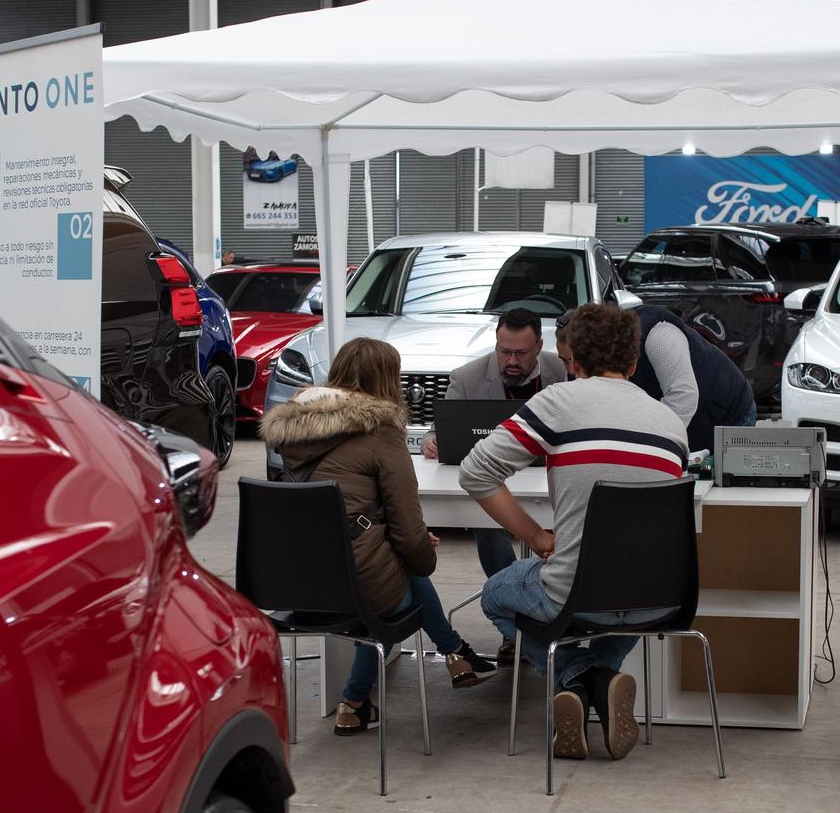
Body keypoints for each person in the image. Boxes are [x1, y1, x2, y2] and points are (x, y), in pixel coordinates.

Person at [461, 303, 690, 762]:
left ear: (574, 362)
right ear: (632, 364)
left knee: (494, 594)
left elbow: (475, 471)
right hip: (660, 597)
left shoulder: (556, 402)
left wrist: (538, 537)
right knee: (622, 598)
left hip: (574, 594)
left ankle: (576, 676)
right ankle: (601, 681)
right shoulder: (672, 424)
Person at [260, 336, 497, 734]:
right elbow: (407, 531)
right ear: (387, 382)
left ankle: (447, 658)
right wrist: (419, 551)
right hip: (356, 589)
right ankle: (439, 659)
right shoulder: (382, 433)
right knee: (405, 568)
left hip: (297, 584)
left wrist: (397, 540)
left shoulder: (293, 433)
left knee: (391, 559)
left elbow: (344, 506)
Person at [422, 308, 571, 643]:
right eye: (504, 352)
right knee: (486, 527)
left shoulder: (561, 369)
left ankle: (552, 607)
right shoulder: (467, 377)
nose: (512, 360)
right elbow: (440, 430)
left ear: (539, 346)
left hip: (547, 478)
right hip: (492, 480)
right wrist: (433, 441)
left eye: (521, 353)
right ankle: (516, 607)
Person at [560, 303, 756, 455]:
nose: (571, 370)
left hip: (726, 415)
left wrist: (648, 447)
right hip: (680, 422)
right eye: (564, 361)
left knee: (713, 496)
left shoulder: (657, 333)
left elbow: (684, 397)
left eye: (572, 360)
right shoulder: (597, 354)